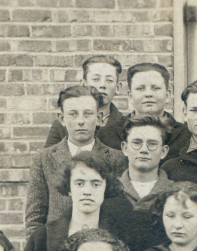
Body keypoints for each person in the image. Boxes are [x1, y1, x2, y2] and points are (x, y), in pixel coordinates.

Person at [15, 152, 143, 251]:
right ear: (68, 188)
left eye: (95, 184)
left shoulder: (123, 236)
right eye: (79, 183)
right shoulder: (43, 237)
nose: (87, 191)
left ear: (106, 188)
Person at [25, 85, 128, 236]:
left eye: (87, 114)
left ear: (99, 118)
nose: (81, 121)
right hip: (57, 245)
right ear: (62, 118)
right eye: (73, 114)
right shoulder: (43, 159)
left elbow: (119, 214)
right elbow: (35, 216)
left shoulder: (117, 159)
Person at [98, 62, 190, 162]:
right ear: (130, 96)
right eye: (140, 88)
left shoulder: (186, 135)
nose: (148, 94)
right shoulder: (106, 135)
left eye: (156, 88)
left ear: (168, 95)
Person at [44, 55, 126, 148]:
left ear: (117, 87)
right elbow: (50, 158)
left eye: (109, 80)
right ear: (83, 84)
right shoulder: (62, 124)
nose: (102, 85)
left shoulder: (126, 126)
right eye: (96, 79)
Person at [119, 115, 174, 205]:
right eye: (136, 143)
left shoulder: (174, 192)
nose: (144, 150)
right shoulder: (110, 190)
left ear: (163, 151)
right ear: (125, 148)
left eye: (152, 144)